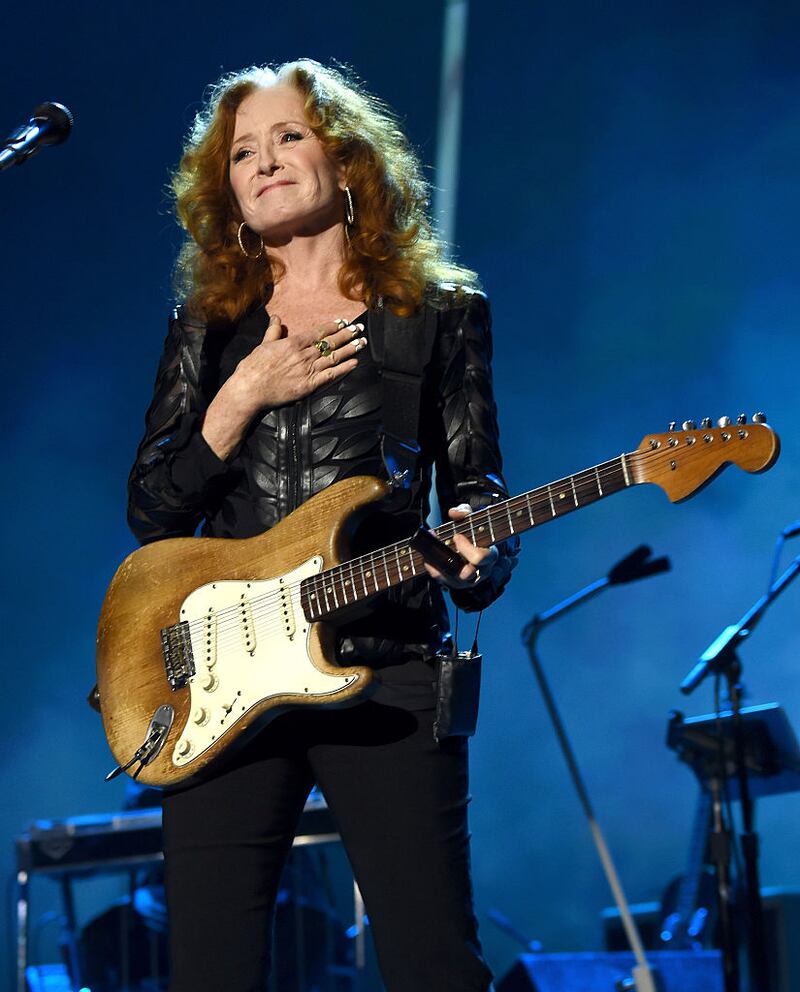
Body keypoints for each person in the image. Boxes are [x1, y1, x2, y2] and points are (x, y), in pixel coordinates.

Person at [127, 59, 518, 992]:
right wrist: (239, 396)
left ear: (346, 161)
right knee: (210, 972)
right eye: (242, 154)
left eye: (288, 136)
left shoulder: (438, 316)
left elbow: (482, 493)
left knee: (434, 964)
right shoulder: (206, 327)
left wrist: (479, 555)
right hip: (225, 683)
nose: (264, 162)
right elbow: (150, 508)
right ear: (224, 194)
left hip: (386, 671)